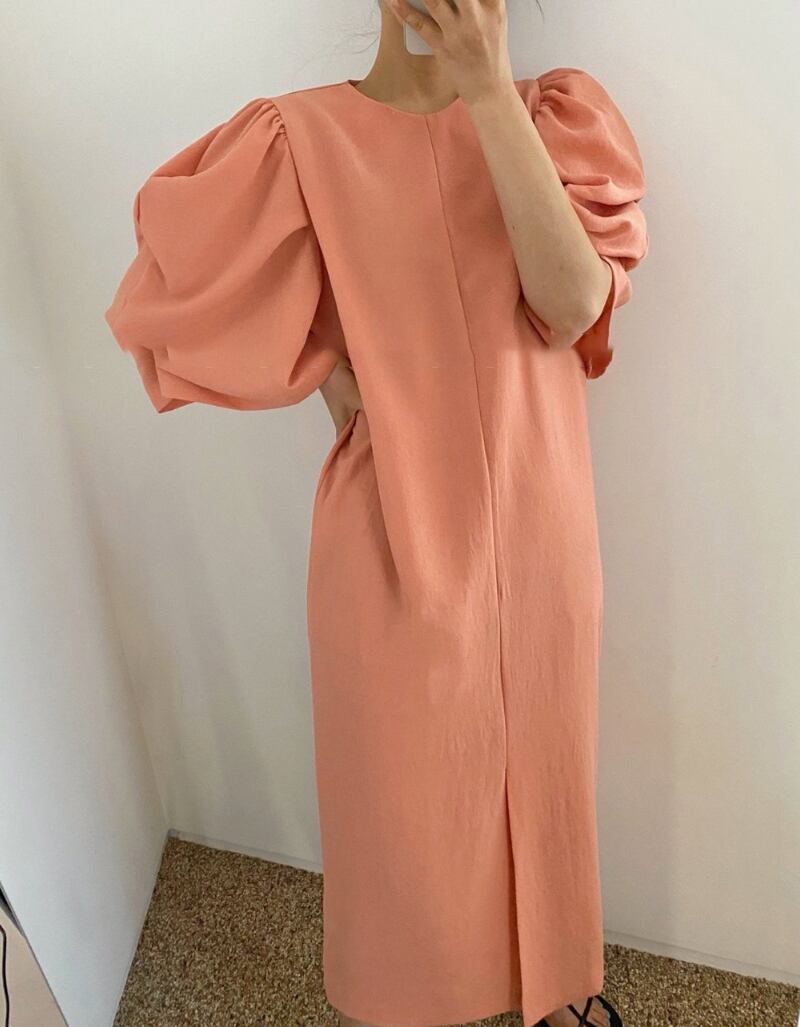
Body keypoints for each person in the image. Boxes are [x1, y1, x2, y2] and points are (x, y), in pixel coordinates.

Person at [104, 1, 649, 1025]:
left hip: (541, 524)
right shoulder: (296, 139)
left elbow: (573, 302)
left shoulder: (553, 115)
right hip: (390, 530)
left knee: (544, 765)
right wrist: (325, 368)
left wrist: (486, 89)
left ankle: (553, 984)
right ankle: (403, 1000)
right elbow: (172, 293)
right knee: (403, 807)